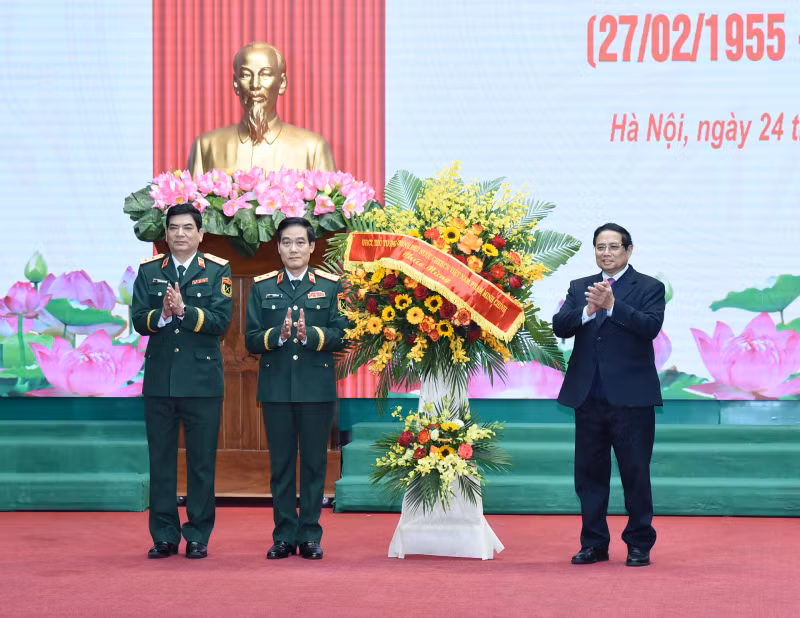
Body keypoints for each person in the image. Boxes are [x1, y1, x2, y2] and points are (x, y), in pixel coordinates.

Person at [552, 223, 665, 568]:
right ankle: (594, 543)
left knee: (635, 473)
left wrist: (614, 305)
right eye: (600, 247)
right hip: (588, 398)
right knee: (588, 476)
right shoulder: (579, 287)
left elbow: (650, 327)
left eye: (614, 247)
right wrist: (588, 311)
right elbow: (560, 325)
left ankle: (639, 543)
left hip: (632, 399)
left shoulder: (649, 287)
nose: (607, 253)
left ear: (629, 250)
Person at [132, 203, 233, 560]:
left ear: (200, 233)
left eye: (187, 228)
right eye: (173, 228)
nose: (179, 234)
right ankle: (163, 535)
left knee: (201, 463)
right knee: (160, 461)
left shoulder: (218, 269)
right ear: (165, 233)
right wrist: (161, 314)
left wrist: (185, 312)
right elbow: (137, 321)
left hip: (202, 384)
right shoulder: (149, 272)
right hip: (160, 382)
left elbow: (221, 322)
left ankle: (197, 535)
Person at [244, 217, 348, 560]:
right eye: (286, 242)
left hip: (316, 391)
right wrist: (280, 336)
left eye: (300, 242)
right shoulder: (261, 287)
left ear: (312, 246)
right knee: (283, 466)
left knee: (315, 465)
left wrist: (310, 336)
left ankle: (310, 536)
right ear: (278, 247)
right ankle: (284, 535)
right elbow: (251, 340)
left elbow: (342, 334)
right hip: (275, 392)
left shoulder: (332, 286)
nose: (293, 249)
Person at [188, 41, 336, 175]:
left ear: (282, 83)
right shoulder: (206, 147)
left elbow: (329, 203)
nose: (255, 85)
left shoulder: (312, 149)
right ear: (235, 83)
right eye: (246, 75)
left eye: (265, 74)